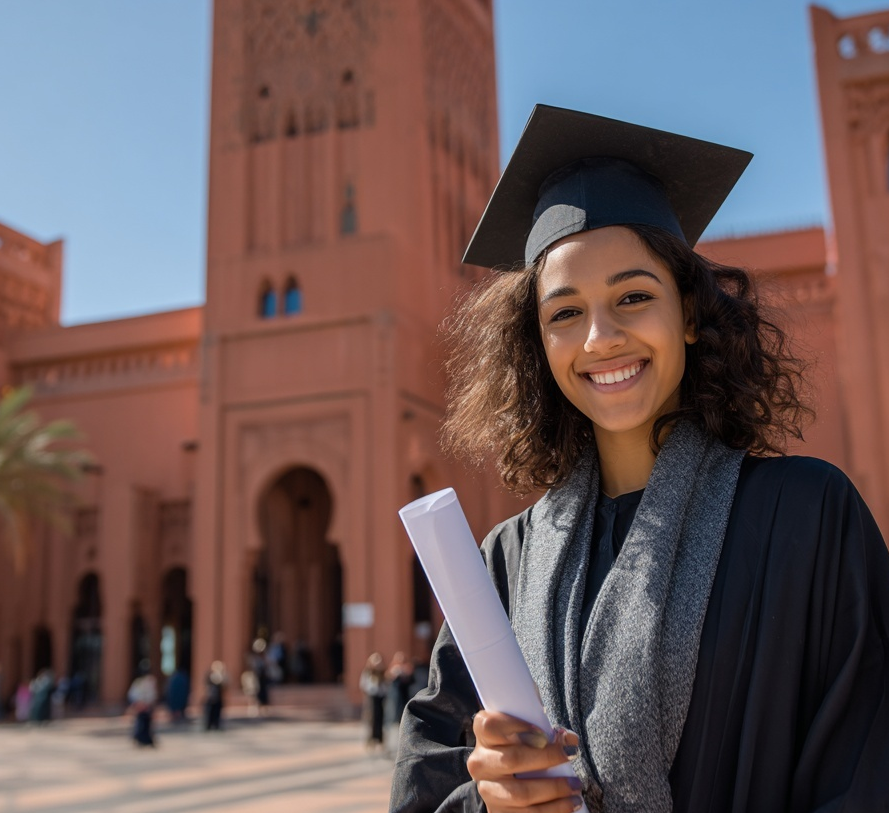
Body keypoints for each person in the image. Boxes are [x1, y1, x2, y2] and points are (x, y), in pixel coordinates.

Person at [389, 105, 889, 813]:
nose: (600, 338)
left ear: (689, 315)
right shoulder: (504, 562)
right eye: (564, 313)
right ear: (537, 346)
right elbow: (426, 782)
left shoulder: (807, 518)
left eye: (632, 296)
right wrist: (491, 800)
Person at [360, 652, 388, 751]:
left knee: (380, 718)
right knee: (371, 719)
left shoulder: (383, 673)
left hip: (381, 698)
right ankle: (371, 740)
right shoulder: (368, 672)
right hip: (371, 698)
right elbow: (363, 685)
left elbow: (386, 686)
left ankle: (380, 739)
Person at [127, 661, 157, 747]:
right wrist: (138, 704)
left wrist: (147, 704)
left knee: (146, 723)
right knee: (140, 723)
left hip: (146, 706)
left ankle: (146, 740)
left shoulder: (150, 681)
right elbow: (133, 694)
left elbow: (152, 694)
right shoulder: (139, 682)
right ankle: (140, 738)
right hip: (141, 706)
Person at [203, 660, 227, 731]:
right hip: (211, 697)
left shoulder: (222, 676)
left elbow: (225, 684)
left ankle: (216, 724)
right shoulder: (211, 675)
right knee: (209, 713)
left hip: (218, 698)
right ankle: (209, 725)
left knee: (217, 712)